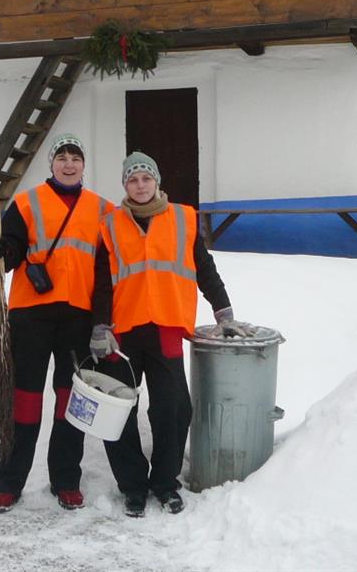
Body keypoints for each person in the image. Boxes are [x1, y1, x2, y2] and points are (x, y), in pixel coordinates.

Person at [91, 151, 252, 518]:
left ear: (157, 182)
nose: (140, 185)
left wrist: (223, 311)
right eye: (133, 180)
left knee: (174, 408)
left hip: (164, 325)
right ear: (125, 185)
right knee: (118, 410)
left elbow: (204, 268)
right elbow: (102, 282)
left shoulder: (183, 218)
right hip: (122, 331)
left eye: (146, 178)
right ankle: (133, 486)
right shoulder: (110, 225)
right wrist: (99, 325)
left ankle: (165, 483)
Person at [0, 133, 114, 513]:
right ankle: (8, 482)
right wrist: (1, 249)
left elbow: (106, 272)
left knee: (70, 401)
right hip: (31, 314)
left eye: (75, 158)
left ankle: (65, 479)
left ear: (84, 165)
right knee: (25, 399)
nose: (69, 164)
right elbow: (14, 250)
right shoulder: (27, 202)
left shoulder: (103, 209)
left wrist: (103, 321)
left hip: (78, 316)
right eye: (62, 157)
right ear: (51, 163)